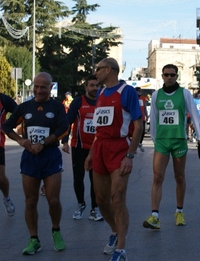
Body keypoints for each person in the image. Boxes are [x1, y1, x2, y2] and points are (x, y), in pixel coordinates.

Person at [3, 72, 69, 254]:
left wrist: (43, 143)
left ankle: (56, 231)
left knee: (53, 199)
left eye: (43, 87)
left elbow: (64, 129)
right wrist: (21, 141)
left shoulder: (56, 107)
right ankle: (34, 239)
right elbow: (7, 126)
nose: (39, 90)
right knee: (30, 200)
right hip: (30, 158)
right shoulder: (24, 107)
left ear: (50, 88)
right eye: (36, 87)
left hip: (50, 156)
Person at [84, 58, 143, 261]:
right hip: (100, 148)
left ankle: (121, 249)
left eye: (98, 69)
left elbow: (139, 125)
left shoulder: (126, 92)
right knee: (101, 200)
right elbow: (99, 129)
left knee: (117, 198)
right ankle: (115, 231)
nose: (96, 72)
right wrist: (91, 154)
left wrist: (130, 155)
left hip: (119, 148)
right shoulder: (100, 93)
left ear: (108, 70)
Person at [143, 64, 200, 229]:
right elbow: (154, 117)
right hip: (163, 141)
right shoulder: (156, 95)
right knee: (157, 177)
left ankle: (179, 211)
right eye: (166, 75)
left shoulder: (184, 93)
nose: (169, 77)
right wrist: (155, 139)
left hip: (179, 140)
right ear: (162, 76)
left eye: (172, 75)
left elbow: (194, 113)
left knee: (179, 177)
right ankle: (155, 216)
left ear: (176, 76)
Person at [61, 75, 103, 221]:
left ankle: (94, 208)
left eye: (97, 85)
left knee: (95, 179)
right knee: (78, 177)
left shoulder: (102, 102)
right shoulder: (78, 101)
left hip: (97, 147)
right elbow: (68, 121)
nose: (94, 88)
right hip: (79, 146)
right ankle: (81, 204)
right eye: (91, 85)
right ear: (86, 87)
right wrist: (65, 141)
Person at [0, 92, 17, 216]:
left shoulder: (3, 99)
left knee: (1, 178)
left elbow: (19, 112)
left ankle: (6, 198)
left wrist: (8, 127)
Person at [135, 87, 148, 152]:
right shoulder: (133, 98)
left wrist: (147, 116)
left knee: (142, 131)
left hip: (142, 117)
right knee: (135, 132)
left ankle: (140, 143)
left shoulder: (143, 98)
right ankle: (134, 146)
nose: (139, 92)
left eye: (140, 91)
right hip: (135, 118)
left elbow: (145, 108)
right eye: (138, 91)